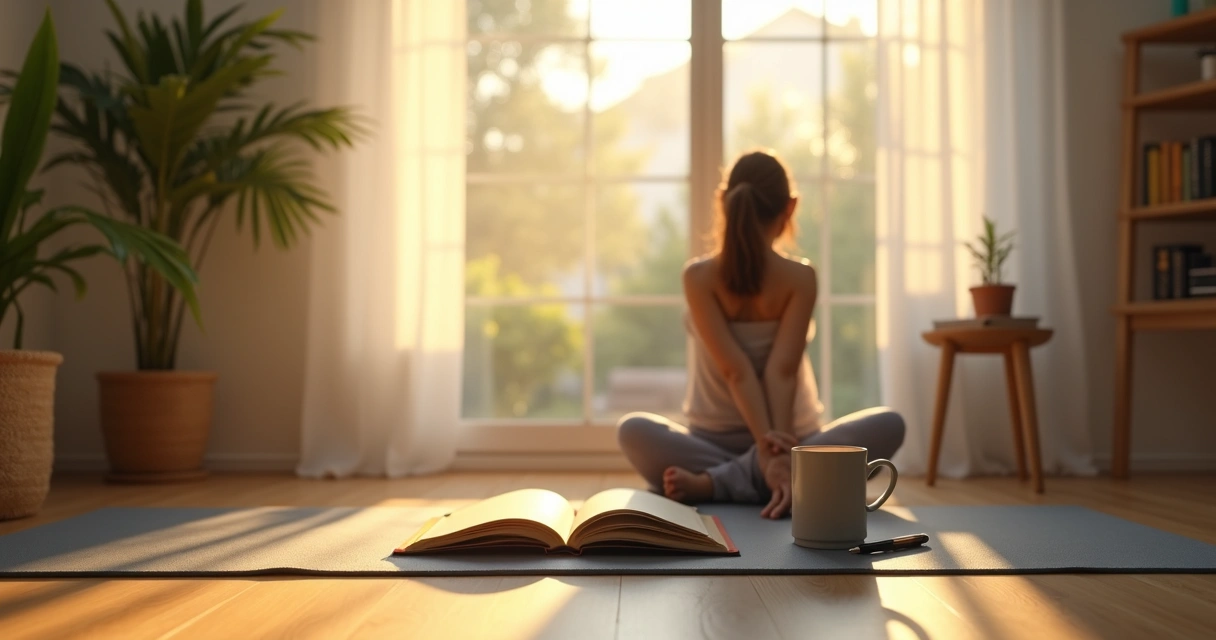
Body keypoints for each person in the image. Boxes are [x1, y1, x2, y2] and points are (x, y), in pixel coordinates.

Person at [617, 150, 905, 519]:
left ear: (724, 202)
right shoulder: (801, 277)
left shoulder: (698, 276)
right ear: (790, 207)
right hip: (791, 440)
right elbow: (778, 372)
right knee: (889, 426)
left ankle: (717, 483)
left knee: (633, 432)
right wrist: (778, 457)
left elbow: (738, 371)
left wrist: (775, 455)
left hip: (727, 445)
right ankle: (787, 480)